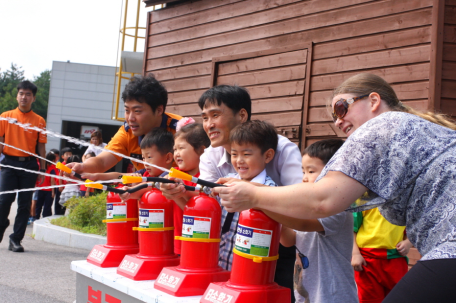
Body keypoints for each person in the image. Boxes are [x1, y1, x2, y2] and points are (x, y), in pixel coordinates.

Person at [214, 73, 456, 302]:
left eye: (342, 108)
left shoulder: (384, 124)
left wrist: (253, 193)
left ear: (373, 101)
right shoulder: (412, 129)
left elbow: (323, 199)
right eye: (334, 116)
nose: (338, 121)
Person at [161, 85, 303, 302]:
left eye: (215, 115)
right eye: (205, 117)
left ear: (242, 115)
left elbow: (299, 202)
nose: (209, 125)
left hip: (277, 248)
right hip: (230, 248)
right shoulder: (210, 154)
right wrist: (178, 195)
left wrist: (255, 195)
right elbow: (208, 209)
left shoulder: (282, 149)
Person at [279, 139, 357, 303]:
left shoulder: (338, 208)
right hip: (308, 295)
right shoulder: (307, 209)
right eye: (303, 171)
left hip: (333, 296)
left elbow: (303, 225)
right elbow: (289, 240)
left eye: (311, 171)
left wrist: (261, 202)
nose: (305, 178)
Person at [69, 74, 182, 175]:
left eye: (137, 111)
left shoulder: (181, 130)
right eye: (127, 110)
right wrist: (82, 166)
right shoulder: (127, 132)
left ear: (159, 110)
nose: (130, 118)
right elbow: (102, 161)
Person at [218, 120, 279, 271]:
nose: (239, 161)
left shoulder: (271, 192)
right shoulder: (226, 181)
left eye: (246, 154)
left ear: (268, 156)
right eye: (234, 154)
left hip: (249, 271)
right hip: (219, 267)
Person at [0, 80, 47, 252]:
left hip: (29, 165)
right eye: (21, 94)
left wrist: (42, 169)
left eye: (28, 94)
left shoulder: (39, 121)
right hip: (9, 163)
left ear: (33, 98)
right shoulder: (5, 116)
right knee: (4, 200)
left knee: (25, 204)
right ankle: (3, 222)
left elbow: (41, 146)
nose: (24, 97)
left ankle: (15, 239)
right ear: (16, 96)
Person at [352, 207, 412, 302]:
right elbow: (352, 230)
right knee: (370, 299)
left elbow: (413, 228)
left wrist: (408, 242)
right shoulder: (364, 202)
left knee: (398, 297)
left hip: (395, 259)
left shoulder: (403, 201)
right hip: (367, 260)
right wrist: (355, 254)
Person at [169, 119, 210, 255]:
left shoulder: (205, 179)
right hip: (177, 242)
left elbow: (193, 211)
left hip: (197, 244)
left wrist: (177, 193)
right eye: (175, 149)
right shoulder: (175, 173)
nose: (176, 153)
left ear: (202, 151)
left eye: (181, 148)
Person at [35, 153, 57, 219]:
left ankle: (36, 218)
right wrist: (53, 192)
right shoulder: (52, 168)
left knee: (38, 205)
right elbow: (52, 181)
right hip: (48, 190)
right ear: (52, 160)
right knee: (47, 206)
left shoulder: (41, 167)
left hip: (39, 189)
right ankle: (45, 219)